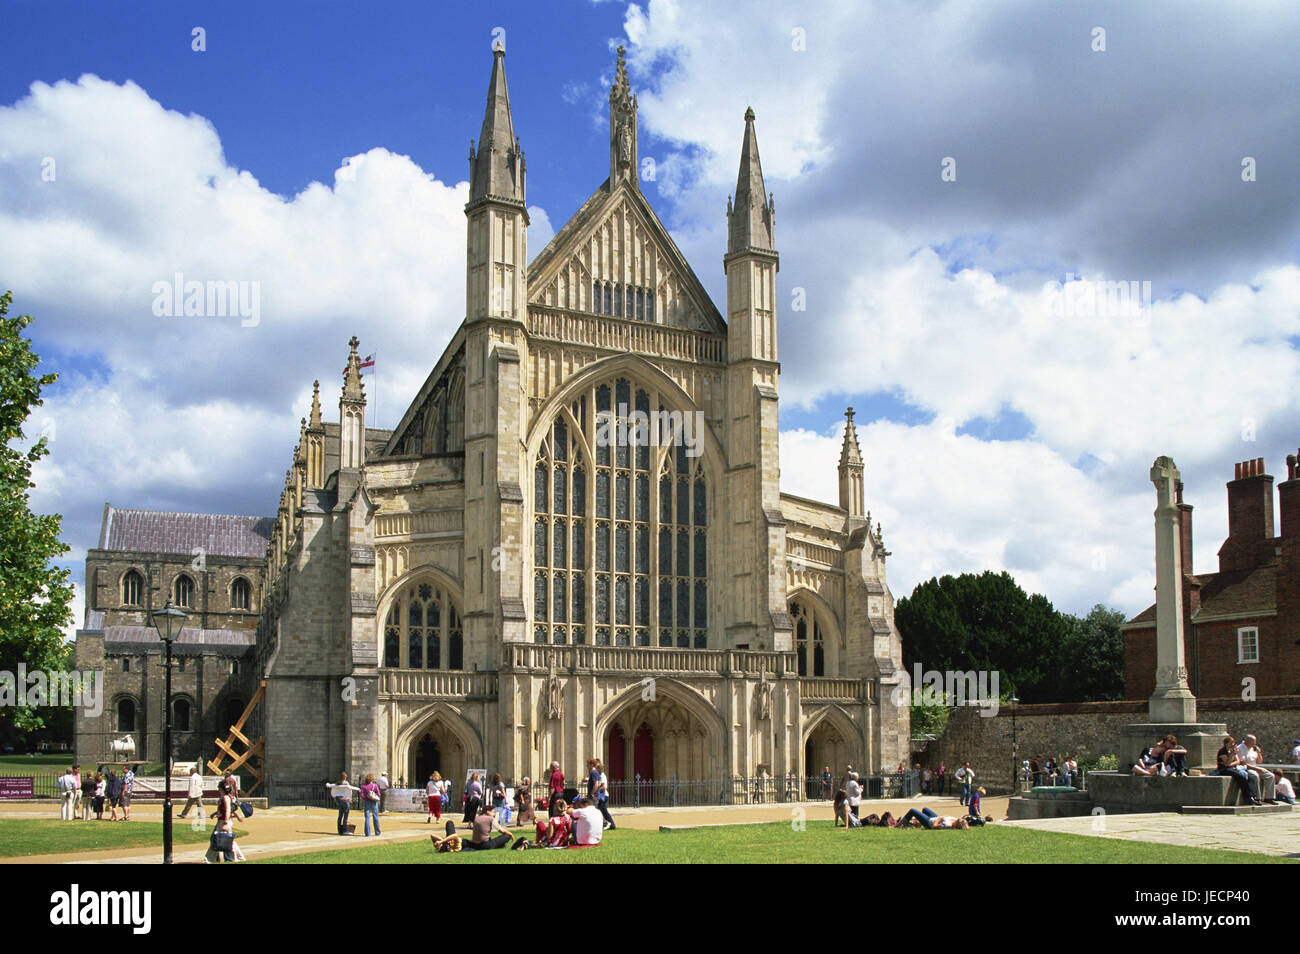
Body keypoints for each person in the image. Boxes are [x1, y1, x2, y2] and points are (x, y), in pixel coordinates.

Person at [1217, 735, 1262, 805]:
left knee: (1250, 777)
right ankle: (1247, 797)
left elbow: (1237, 761)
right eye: (1231, 743)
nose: (1233, 744)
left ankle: (1253, 796)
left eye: (1233, 743)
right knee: (1241, 777)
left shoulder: (1232, 751)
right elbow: (1226, 764)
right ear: (1226, 743)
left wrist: (1231, 762)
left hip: (1231, 768)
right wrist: (1232, 756)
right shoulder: (1222, 751)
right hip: (1224, 769)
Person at [595, 762, 615, 830]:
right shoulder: (599, 775)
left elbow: (604, 787)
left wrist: (596, 792)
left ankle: (611, 824)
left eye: (597, 767)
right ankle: (609, 824)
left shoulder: (602, 776)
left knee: (603, 811)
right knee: (602, 811)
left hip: (603, 797)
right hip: (601, 796)